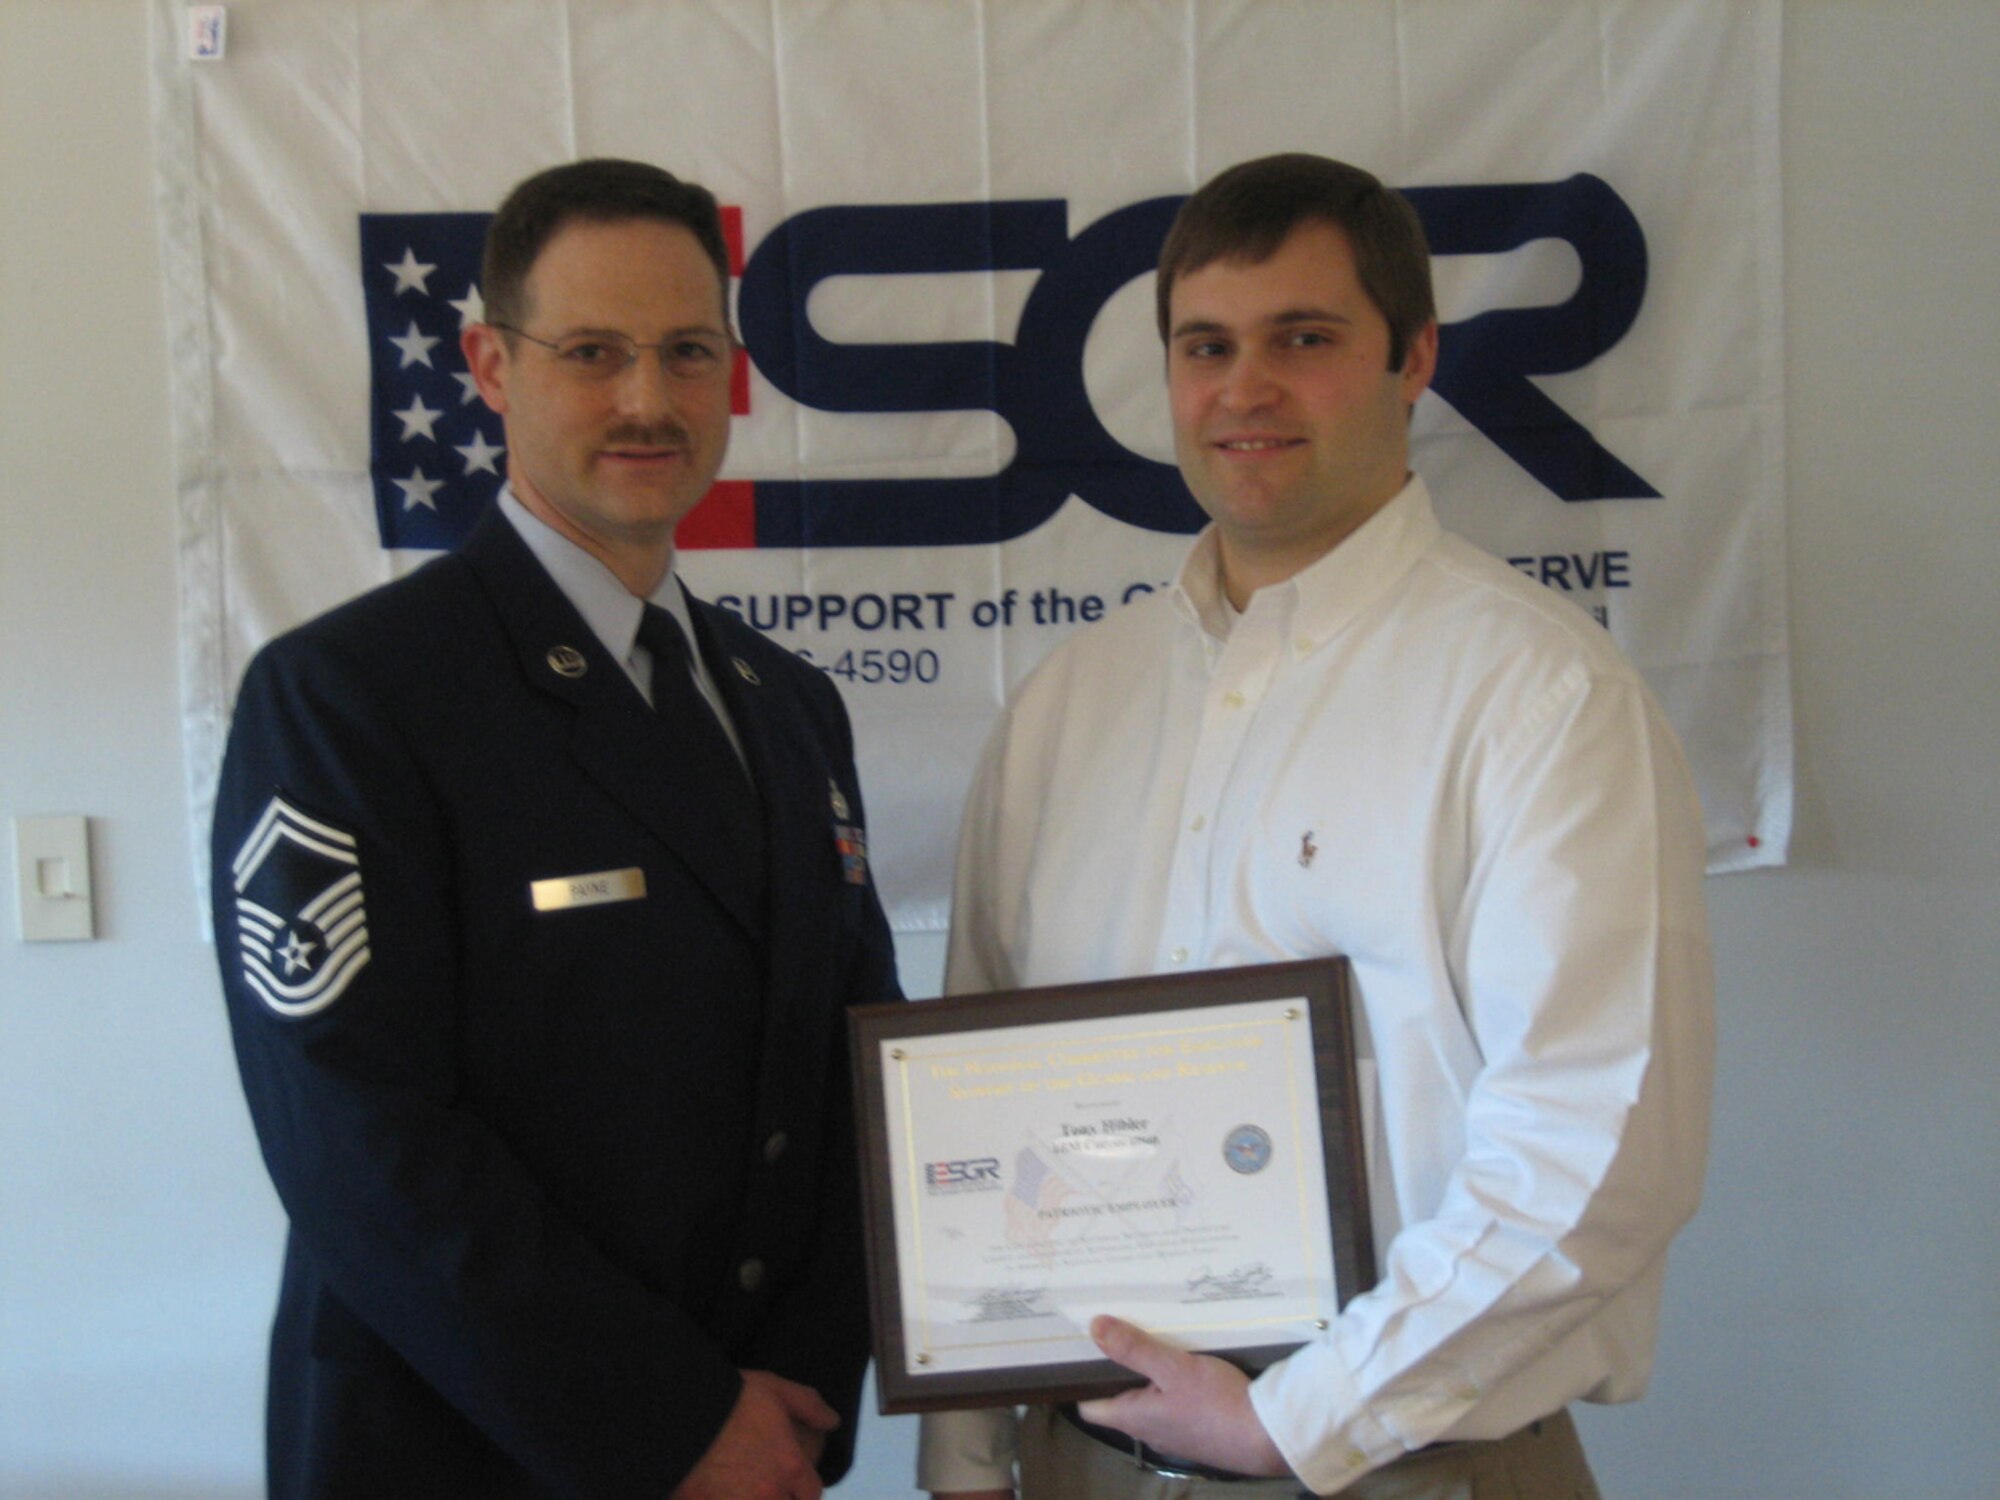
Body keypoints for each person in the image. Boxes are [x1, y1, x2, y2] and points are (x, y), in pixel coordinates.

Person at [919, 153, 1714, 1499]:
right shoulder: (1068, 706)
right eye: (1206, 346)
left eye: (1303, 339)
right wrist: (962, 1457)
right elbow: (979, 1094)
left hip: (1403, 1467)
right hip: (1077, 1462)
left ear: (1414, 359)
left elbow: (1602, 1146)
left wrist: (1297, 1418)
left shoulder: (1538, 695)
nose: (1245, 389)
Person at [210, 158, 899, 1500]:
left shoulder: (790, 705)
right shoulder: (351, 695)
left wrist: (796, 1393)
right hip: (462, 1450)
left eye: (688, 351)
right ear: (490, 364)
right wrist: (676, 1420)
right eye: (593, 352)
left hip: (760, 1442)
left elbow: (847, 1066)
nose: (648, 399)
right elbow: (359, 1140)